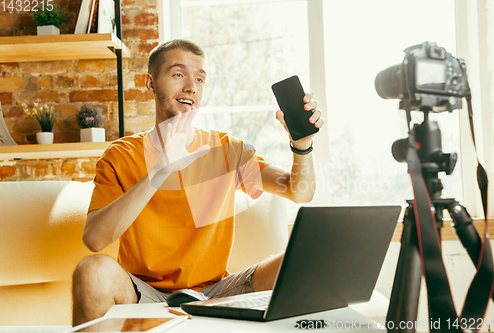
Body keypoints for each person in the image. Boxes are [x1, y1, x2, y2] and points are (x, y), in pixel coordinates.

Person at [71, 39, 324, 326]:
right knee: (91, 271)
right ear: (151, 84)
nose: (191, 86)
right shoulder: (120, 155)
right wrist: (160, 172)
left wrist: (302, 145)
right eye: (178, 74)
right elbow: (94, 240)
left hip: (214, 292)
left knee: (302, 262)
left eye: (200, 78)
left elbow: (299, 192)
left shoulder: (227, 149)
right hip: (143, 292)